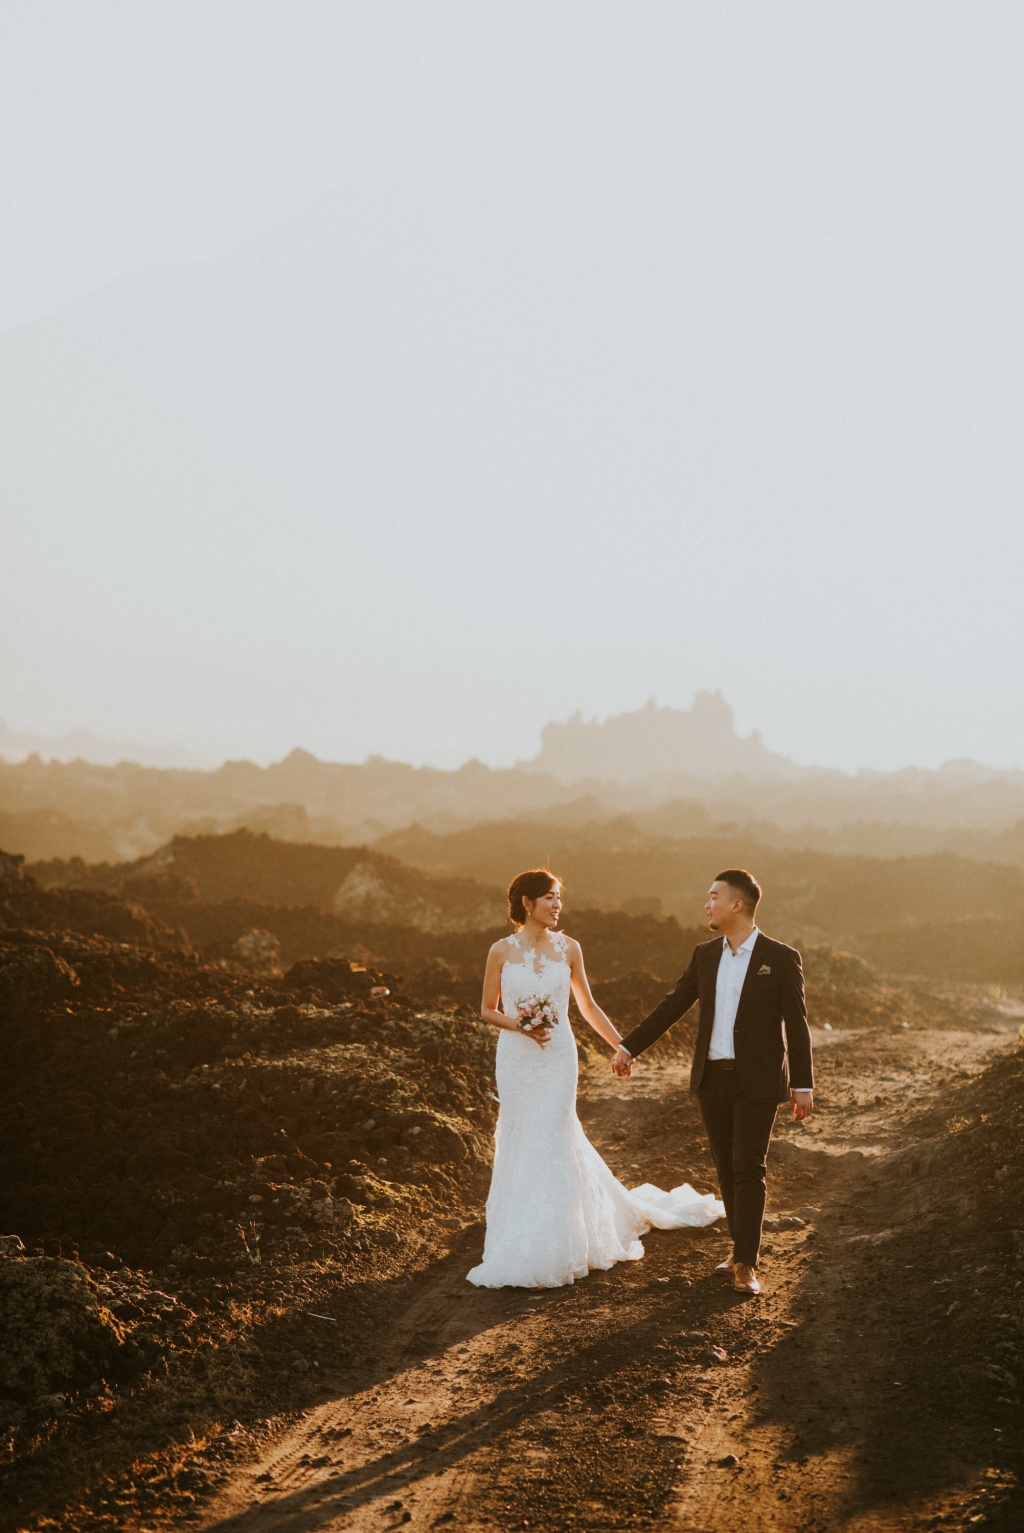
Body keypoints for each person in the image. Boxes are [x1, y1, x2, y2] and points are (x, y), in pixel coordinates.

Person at [467, 868, 723, 1289]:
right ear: (527, 904)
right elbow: (487, 1009)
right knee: (519, 1135)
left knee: (552, 1131)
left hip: (557, 1056)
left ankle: (562, 1238)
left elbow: (587, 1005)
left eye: (558, 898)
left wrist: (622, 1045)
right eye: (548, 898)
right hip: (516, 1056)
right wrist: (521, 1024)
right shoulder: (500, 951)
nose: (556, 905)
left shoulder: (570, 948)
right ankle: (519, 1231)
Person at [611, 869, 813, 1296]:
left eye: (714, 896)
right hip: (711, 1079)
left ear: (737, 904)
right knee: (726, 1168)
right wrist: (629, 1047)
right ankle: (739, 1249)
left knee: (748, 1167)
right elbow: (672, 1006)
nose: (707, 904)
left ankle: (746, 1263)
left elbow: (797, 1024)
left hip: (757, 1080)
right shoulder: (705, 955)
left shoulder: (779, 957)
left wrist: (803, 1083)